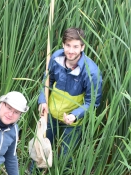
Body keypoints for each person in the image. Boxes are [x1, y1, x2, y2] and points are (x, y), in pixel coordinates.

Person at [38, 27, 102, 155]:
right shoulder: (56, 57)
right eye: (68, 45)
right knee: (42, 147)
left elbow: (92, 102)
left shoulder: (92, 72)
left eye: (75, 47)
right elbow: (46, 81)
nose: (71, 51)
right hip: (51, 112)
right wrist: (42, 100)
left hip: (73, 120)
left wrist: (75, 115)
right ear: (63, 45)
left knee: (66, 155)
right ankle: (34, 173)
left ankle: (60, 174)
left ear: (82, 47)